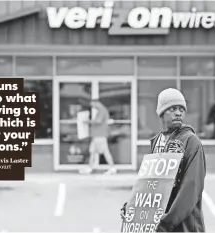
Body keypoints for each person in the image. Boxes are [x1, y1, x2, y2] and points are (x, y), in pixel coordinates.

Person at [121, 88, 206, 232]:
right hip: (160, 227)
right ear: (161, 112)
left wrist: (166, 223)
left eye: (181, 109)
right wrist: (131, 208)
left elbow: (191, 189)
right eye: (172, 109)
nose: (178, 113)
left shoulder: (191, 142)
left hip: (183, 227)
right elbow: (150, 186)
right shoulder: (156, 142)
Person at [80, 99, 117, 175]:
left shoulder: (102, 110)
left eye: (93, 105)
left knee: (105, 151)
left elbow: (98, 121)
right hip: (97, 135)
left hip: (100, 135)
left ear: (97, 103)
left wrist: (86, 121)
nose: (93, 107)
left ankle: (112, 167)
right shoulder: (102, 110)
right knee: (92, 151)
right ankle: (90, 168)